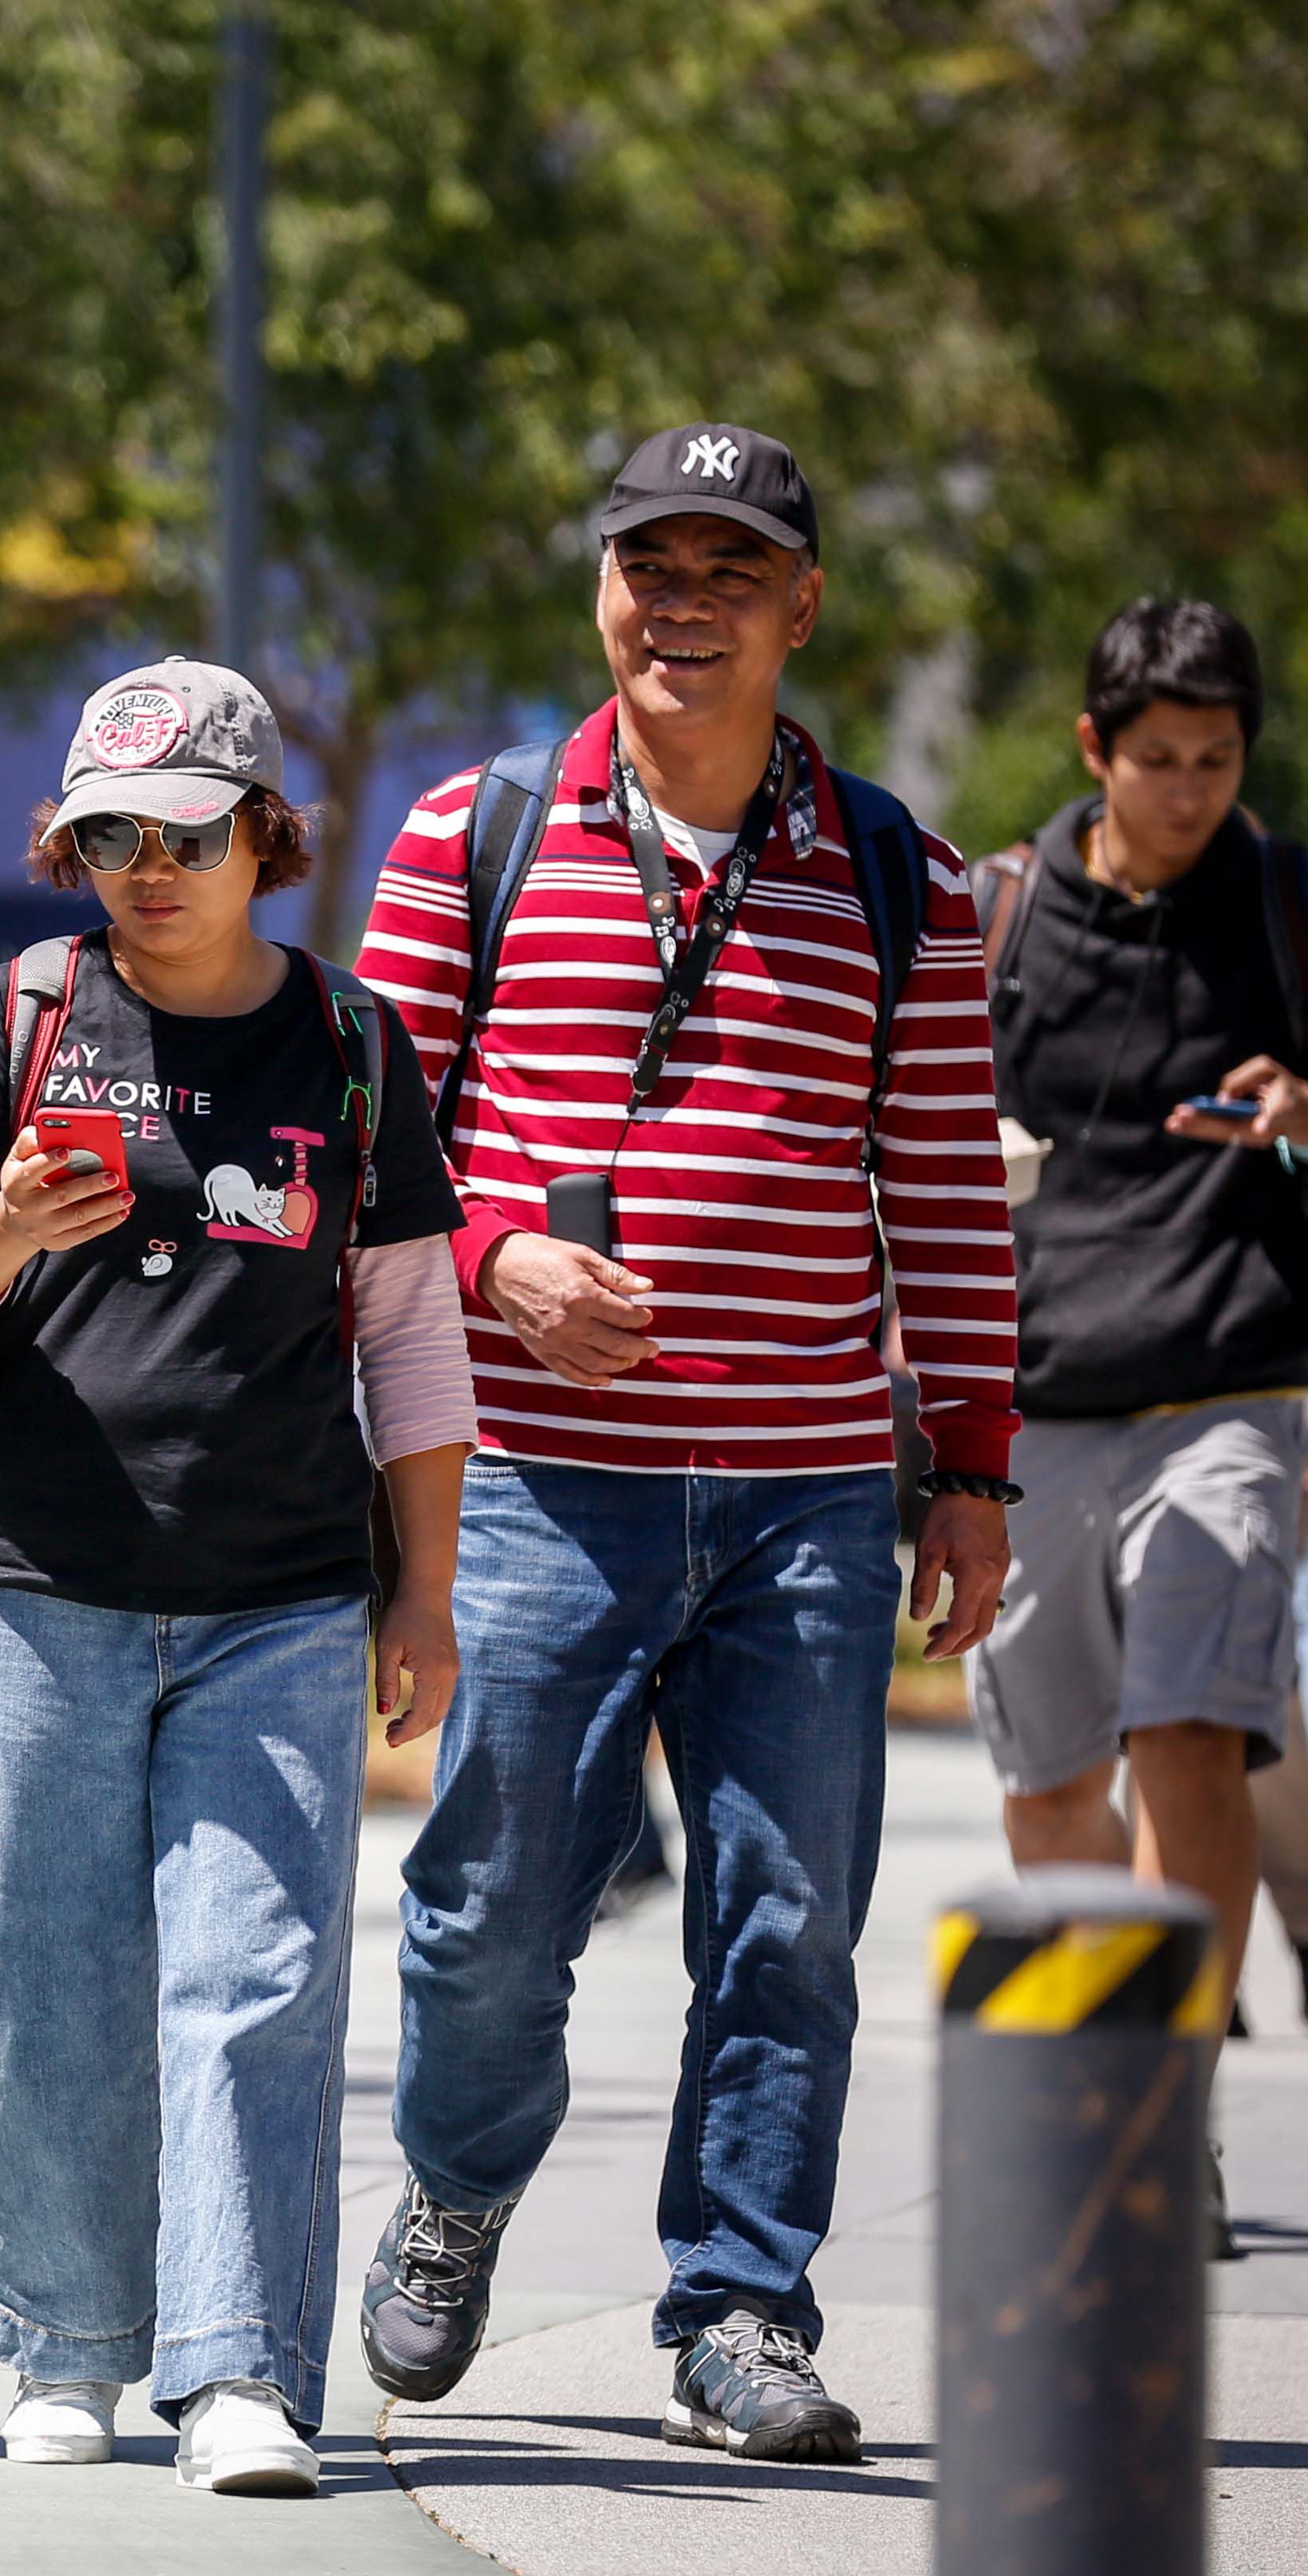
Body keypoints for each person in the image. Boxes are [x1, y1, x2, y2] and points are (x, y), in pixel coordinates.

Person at [354, 425, 1021, 2463]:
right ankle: (457, 2194)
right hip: (543, 1483)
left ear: (801, 606)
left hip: (813, 1490)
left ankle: (742, 2302)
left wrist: (975, 1462)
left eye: (737, 567)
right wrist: (501, 1267)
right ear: (603, 594)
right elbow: (365, 1151)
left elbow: (941, 1190)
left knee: (786, 1915)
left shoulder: (900, 868)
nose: (689, 598)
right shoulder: (468, 835)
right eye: (655, 561)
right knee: (489, 1903)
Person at [0, 661, 472, 2493]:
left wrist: (422, 1595)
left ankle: (239, 2370)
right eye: (108, 833)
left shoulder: (354, 1046)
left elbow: (414, 1337)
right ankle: (66, 2344)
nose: (143, 866)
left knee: (258, 1977)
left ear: (263, 839)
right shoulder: (17, 1011)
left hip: (282, 1592)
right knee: (53, 1977)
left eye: (183, 834)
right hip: (30, 1582)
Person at [966, 597, 1302, 2254]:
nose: (1189, 791)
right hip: (1034, 1400)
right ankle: (1101, 2081)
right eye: (1157, 759)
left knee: (1191, 1726)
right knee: (1055, 1778)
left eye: (1218, 761)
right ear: (1095, 751)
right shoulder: (999, 914)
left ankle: (1174, 2109)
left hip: (1230, 1387)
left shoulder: (1286, 902)